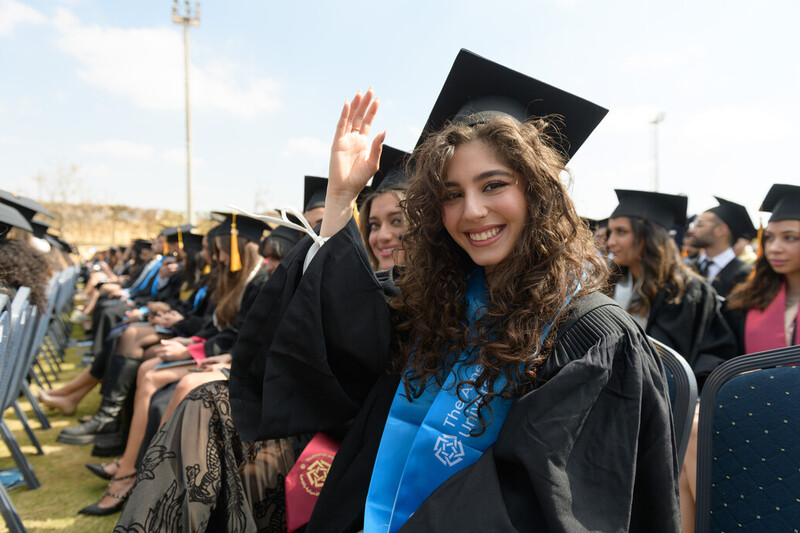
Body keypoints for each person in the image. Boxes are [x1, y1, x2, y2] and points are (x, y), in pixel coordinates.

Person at [606, 189, 738, 388]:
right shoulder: (611, 283)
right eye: (610, 232)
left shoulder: (685, 291)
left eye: (621, 232)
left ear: (649, 236)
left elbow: (680, 360)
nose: (610, 242)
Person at [688, 197, 757, 297]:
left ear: (721, 230)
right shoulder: (688, 267)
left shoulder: (745, 274)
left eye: (699, 225)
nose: (691, 231)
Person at [358, 145, 409, 271]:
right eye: (374, 225)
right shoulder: (359, 289)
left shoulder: (458, 289)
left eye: (397, 221)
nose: (382, 236)